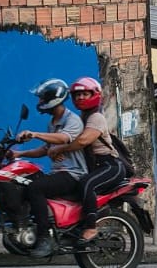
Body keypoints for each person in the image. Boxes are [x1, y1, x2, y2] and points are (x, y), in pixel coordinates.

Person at [47, 76, 127, 247]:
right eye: (77, 95)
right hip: (94, 166)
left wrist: (61, 149)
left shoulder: (96, 117)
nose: (81, 97)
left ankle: (91, 227)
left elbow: (83, 141)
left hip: (110, 166)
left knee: (87, 184)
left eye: (85, 94)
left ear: (95, 94)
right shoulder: (82, 118)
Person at [14, 78, 88, 258]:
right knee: (24, 181)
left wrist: (35, 134)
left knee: (35, 188)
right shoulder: (53, 123)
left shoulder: (72, 120)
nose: (39, 102)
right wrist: (18, 154)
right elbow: (45, 149)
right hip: (59, 172)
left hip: (73, 174)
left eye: (42, 98)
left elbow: (64, 138)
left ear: (53, 99)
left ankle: (44, 238)